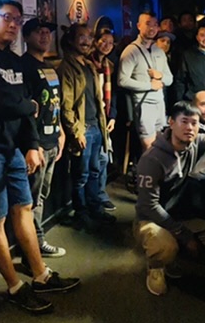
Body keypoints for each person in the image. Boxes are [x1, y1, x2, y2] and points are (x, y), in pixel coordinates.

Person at [0, 0, 80, 314]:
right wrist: (28, 106)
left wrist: (32, 144)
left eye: (18, 19)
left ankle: (41, 275)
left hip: (13, 148)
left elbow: (21, 106)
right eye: (7, 17)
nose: (13, 24)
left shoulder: (13, 61)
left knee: (24, 207)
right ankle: (14, 286)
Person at [134, 101, 205, 296]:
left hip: (179, 212)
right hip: (151, 219)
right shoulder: (152, 159)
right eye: (184, 121)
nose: (189, 127)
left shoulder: (194, 142)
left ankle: (178, 256)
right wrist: (184, 234)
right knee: (165, 246)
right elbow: (149, 206)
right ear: (171, 122)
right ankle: (156, 266)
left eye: (194, 123)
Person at [59, 23, 116, 231]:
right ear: (72, 40)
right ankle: (81, 213)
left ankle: (95, 209)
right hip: (83, 128)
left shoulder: (90, 65)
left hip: (96, 126)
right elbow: (66, 106)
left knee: (94, 171)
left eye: (89, 37)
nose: (86, 41)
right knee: (80, 175)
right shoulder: (66, 67)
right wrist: (76, 131)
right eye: (81, 36)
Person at [20, 18, 67, 257]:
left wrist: (61, 131)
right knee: (31, 198)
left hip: (52, 140)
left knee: (41, 196)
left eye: (48, 32)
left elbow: (55, 103)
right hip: (36, 145)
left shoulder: (49, 66)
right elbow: (26, 111)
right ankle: (33, 247)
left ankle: (37, 241)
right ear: (26, 36)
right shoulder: (23, 67)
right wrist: (34, 143)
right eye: (39, 32)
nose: (45, 36)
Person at [118, 12, 173, 151]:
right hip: (143, 104)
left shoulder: (159, 51)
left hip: (160, 103)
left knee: (162, 145)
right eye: (148, 24)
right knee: (149, 148)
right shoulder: (131, 51)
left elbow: (170, 79)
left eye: (155, 24)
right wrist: (149, 86)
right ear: (138, 26)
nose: (152, 28)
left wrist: (160, 76)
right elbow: (122, 80)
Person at [89, 28, 118, 211]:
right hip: (91, 118)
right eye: (103, 41)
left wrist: (112, 116)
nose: (107, 45)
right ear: (95, 41)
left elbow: (113, 93)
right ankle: (93, 200)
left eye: (110, 43)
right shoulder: (87, 63)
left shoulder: (109, 65)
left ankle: (100, 194)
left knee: (104, 158)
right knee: (94, 162)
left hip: (104, 117)